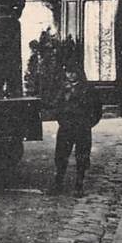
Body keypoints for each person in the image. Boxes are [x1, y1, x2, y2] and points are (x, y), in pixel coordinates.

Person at [48, 63, 102, 197]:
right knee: (61, 155)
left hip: (82, 127)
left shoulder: (88, 89)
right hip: (66, 127)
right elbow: (55, 106)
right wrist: (60, 118)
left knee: (82, 156)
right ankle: (58, 183)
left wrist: (89, 123)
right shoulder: (62, 88)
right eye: (68, 72)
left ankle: (79, 185)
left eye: (73, 72)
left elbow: (97, 109)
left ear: (79, 73)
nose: (70, 75)